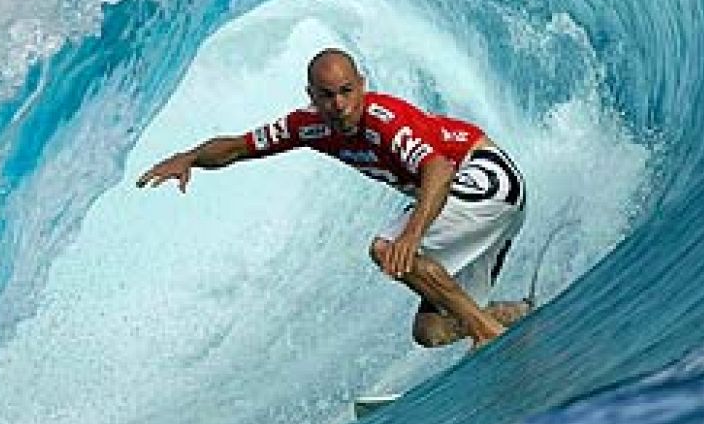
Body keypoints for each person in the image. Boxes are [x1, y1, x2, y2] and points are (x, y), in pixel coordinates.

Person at [136, 48, 531, 349]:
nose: (339, 105)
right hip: (479, 206)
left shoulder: (385, 121)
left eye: (347, 92)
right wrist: (190, 157)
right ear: (312, 95)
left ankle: (485, 332)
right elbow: (239, 147)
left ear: (362, 85)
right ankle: (510, 316)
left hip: (487, 180)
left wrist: (413, 234)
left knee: (388, 248)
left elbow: (439, 168)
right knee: (430, 331)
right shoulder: (307, 127)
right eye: (327, 96)